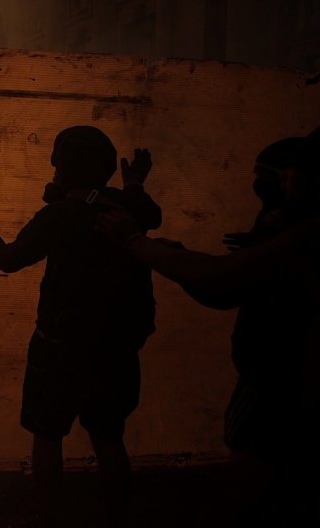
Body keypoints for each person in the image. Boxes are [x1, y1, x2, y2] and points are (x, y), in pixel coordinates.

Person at [97, 130, 320, 525]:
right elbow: (225, 288)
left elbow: (219, 280)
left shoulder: (306, 234)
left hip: (283, 394)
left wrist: (137, 242)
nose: (277, 183)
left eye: (288, 173)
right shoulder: (288, 227)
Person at [0, 126, 162, 528]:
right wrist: (134, 183)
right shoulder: (125, 208)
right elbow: (150, 214)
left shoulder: (59, 216)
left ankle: (50, 516)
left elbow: (10, 259)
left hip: (60, 349)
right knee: (108, 437)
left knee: (48, 434)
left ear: (65, 166)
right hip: (117, 351)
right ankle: (118, 517)